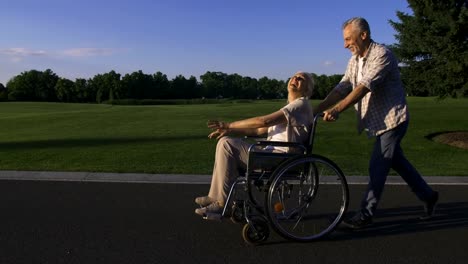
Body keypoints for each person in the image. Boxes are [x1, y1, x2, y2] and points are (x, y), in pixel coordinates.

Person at [314, 17, 439, 229]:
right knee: (399, 164)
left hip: (393, 120)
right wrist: (316, 109)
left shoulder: (382, 54)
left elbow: (363, 87)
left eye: (348, 39)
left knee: (378, 165)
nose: (345, 45)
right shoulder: (355, 60)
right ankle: (428, 195)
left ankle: (365, 214)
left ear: (363, 35)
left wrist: (336, 110)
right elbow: (343, 86)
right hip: (377, 122)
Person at [195, 71, 314, 217]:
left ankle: (221, 204)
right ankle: (216, 197)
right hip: (273, 156)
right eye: (293, 76)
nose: (295, 79)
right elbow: (259, 130)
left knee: (227, 145)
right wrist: (229, 131)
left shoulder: (300, 104)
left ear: (307, 88)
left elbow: (263, 121)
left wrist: (229, 125)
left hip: (281, 159)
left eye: (300, 78)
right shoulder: (292, 106)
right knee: (224, 142)